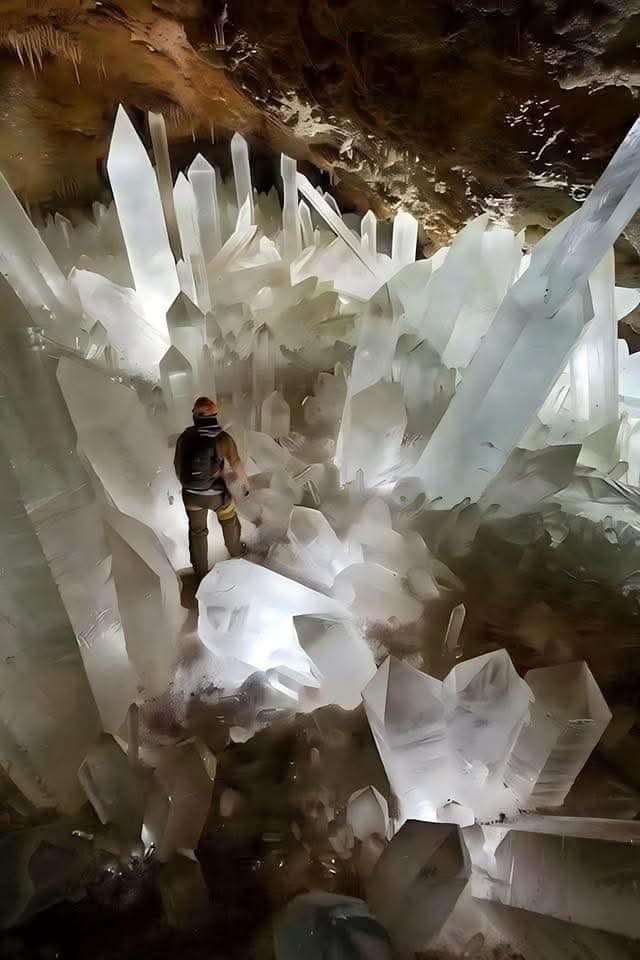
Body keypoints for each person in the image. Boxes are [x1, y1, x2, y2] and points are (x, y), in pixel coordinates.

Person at [174, 396, 249, 580]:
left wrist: (188, 487)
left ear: (195, 415)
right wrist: (245, 484)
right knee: (229, 518)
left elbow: (177, 465)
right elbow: (236, 463)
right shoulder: (222, 438)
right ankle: (236, 551)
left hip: (191, 497)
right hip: (216, 496)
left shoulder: (185, 437)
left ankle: (200, 572)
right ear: (214, 414)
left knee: (197, 531)